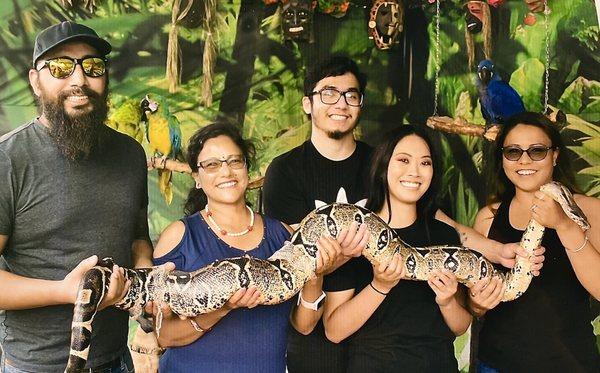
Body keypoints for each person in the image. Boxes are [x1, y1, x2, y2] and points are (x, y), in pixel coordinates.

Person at [0, 21, 153, 372]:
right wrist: (66, 291)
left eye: (93, 66)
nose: (79, 80)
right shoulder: (8, 159)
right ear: (35, 80)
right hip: (35, 365)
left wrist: (147, 280)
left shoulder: (130, 153)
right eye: (60, 67)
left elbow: (137, 239)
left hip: (116, 359)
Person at [151, 123, 343, 373]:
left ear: (246, 169)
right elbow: (165, 336)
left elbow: (304, 326)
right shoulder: (179, 237)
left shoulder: (283, 236)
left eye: (234, 161)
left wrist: (317, 274)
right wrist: (223, 308)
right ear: (196, 178)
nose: (226, 171)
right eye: (212, 164)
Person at [322, 125, 472, 372]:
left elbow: (460, 326)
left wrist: (446, 302)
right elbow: (334, 331)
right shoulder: (353, 235)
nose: (414, 171)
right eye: (403, 160)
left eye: (425, 163)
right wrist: (379, 286)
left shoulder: (443, 236)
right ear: (383, 167)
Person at [263, 55, 372, 373]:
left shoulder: (382, 163)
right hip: (311, 340)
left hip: (376, 338)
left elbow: (426, 219)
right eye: (328, 93)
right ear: (307, 104)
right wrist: (347, 252)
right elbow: (295, 261)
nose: (341, 103)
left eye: (351, 95)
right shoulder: (284, 171)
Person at [469, 112, 600, 372]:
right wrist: (477, 303)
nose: (524, 160)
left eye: (537, 151)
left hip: (570, 364)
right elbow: (472, 305)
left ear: (555, 155)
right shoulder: (487, 218)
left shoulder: (589, 210)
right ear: (502, 159)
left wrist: (564, 224)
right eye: (513, 152)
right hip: (496, 363)